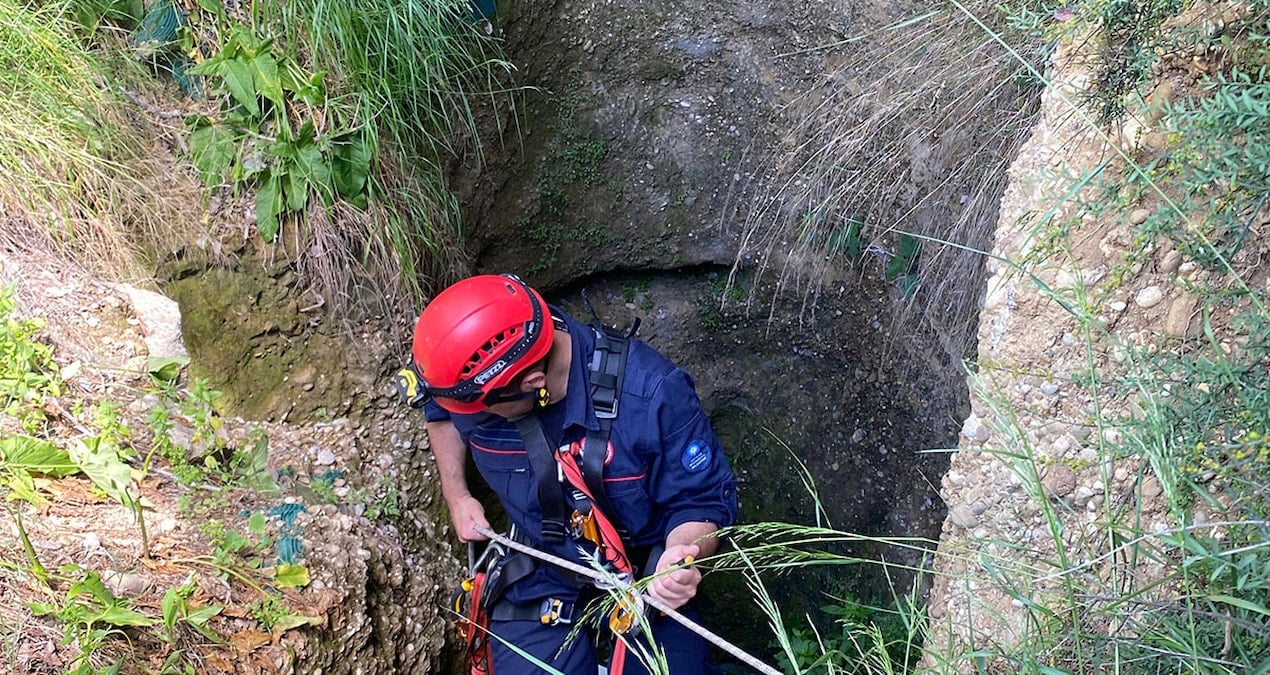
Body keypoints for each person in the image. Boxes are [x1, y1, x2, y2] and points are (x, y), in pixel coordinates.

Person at [406, 273, 738, 675]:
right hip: (542, 567)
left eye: (482, 408)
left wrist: (681, 556)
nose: (475, 417)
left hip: (645, 574)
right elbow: (439, 409)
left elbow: (700, 504)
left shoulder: (651, 394)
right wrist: (457, 495)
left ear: (533, 382)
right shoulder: (471, 377)